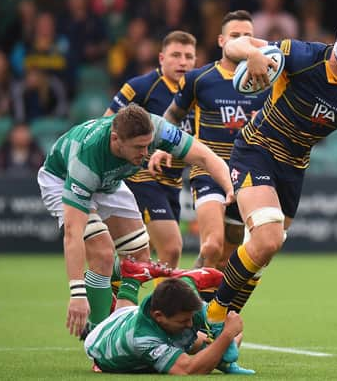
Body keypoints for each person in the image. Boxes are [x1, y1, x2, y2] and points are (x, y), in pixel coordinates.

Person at [203, 18, 337, 325]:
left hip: (294, 166)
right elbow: (236, 45)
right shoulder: (301, 56)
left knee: (264, 253)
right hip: (256, 150)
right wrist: (252, 54)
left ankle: (221, 325)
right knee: (267, 239)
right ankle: (214, 314)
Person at [37, 104, 234, 338]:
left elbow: (204, 155)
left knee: (139, 258)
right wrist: (77, 294)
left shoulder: (157, 128)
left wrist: (230, 188)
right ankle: (99, 338)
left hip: (110, 182)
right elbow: (73, 233)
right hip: (62, 180)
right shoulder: (85, 159)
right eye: (139, 147)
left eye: (148, 145)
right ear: (115, 139)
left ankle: (120, 323)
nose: (145, 152)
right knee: (102, 254)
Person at [163, 11, 269, 308]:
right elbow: (172, 117)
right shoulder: (200, 79)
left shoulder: (265, 82)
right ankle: (188, 307)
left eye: (248, 36)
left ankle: (200, 309)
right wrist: (160, 146)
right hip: (208, 169)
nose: (241, 41)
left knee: (226, 261)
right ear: (222, 41)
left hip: (247, 175)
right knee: (212, 245)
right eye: (235, 36)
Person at [104, 31, 197, 270]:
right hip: (142, 178)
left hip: (173, 183)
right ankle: (163, 307)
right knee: (172, 248)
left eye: (189, 56)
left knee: (142, 255)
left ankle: (113, 291)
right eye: (176, 55)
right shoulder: (141, 87)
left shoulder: (197, 92)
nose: (183, 62)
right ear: (161, 58)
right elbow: (106, 126)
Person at [85, 258, 254, 375]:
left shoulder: (173, 307)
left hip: (130, 316)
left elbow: (220, 326)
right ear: (158, 316)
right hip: (100, 346)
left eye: (190, 318)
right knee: (204, 344)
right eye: (183, 320)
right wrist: (225, 336)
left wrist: (221, 327)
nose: (189, 324)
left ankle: (134, 278)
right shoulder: (142, 339)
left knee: (203, 342)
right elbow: (189, 369)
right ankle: (127, 281)